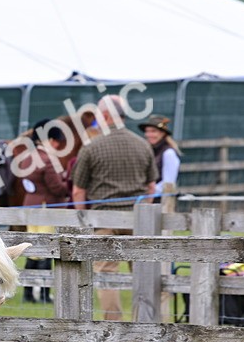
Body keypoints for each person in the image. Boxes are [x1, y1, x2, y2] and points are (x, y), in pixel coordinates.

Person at [71, 95, 158, 321]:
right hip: (137, 219)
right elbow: (151, 187)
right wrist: (144, 211)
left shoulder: (91, 147)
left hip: (103, 220)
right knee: (142, 271)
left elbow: (78, 191)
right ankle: (144, 325)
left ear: (105, 115)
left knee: (106, 273)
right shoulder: (143, 145)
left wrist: (84, 220)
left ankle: (113, 325)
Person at [17, 119, 72, 303]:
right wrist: (69, 184)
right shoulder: (47, 160)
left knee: (33, 250)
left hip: (30, 207)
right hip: (46, 208)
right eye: (55, 141)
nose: (57, 145)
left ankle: (27, 292)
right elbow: (57, 188)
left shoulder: (27, 158)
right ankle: (43, 293)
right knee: (47, 250)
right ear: (49, 140)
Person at [139, 114, 181, 197]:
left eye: (153, 131)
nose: (149, 134)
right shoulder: (149, 151)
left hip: (160, 201)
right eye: (147, 131)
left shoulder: (169, 153)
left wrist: (147, 193)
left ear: (162, 133)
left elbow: (168, 183)